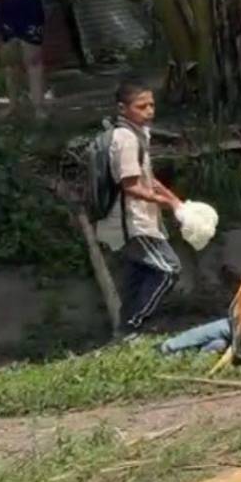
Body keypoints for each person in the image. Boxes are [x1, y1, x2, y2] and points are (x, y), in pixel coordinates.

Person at [105, 79, 185, 331]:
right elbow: (131, 187)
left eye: (151, 105)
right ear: (122, 109)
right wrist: (165, 203)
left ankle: (126, 329)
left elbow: (147, 178)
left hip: (138, 219)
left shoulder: (139, 134)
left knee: (137, 275)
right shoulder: (126, 139)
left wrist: (174, 199)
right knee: (169, 269)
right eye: (141, 106)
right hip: (133, 221)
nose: (149, 111)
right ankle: (135, 323)